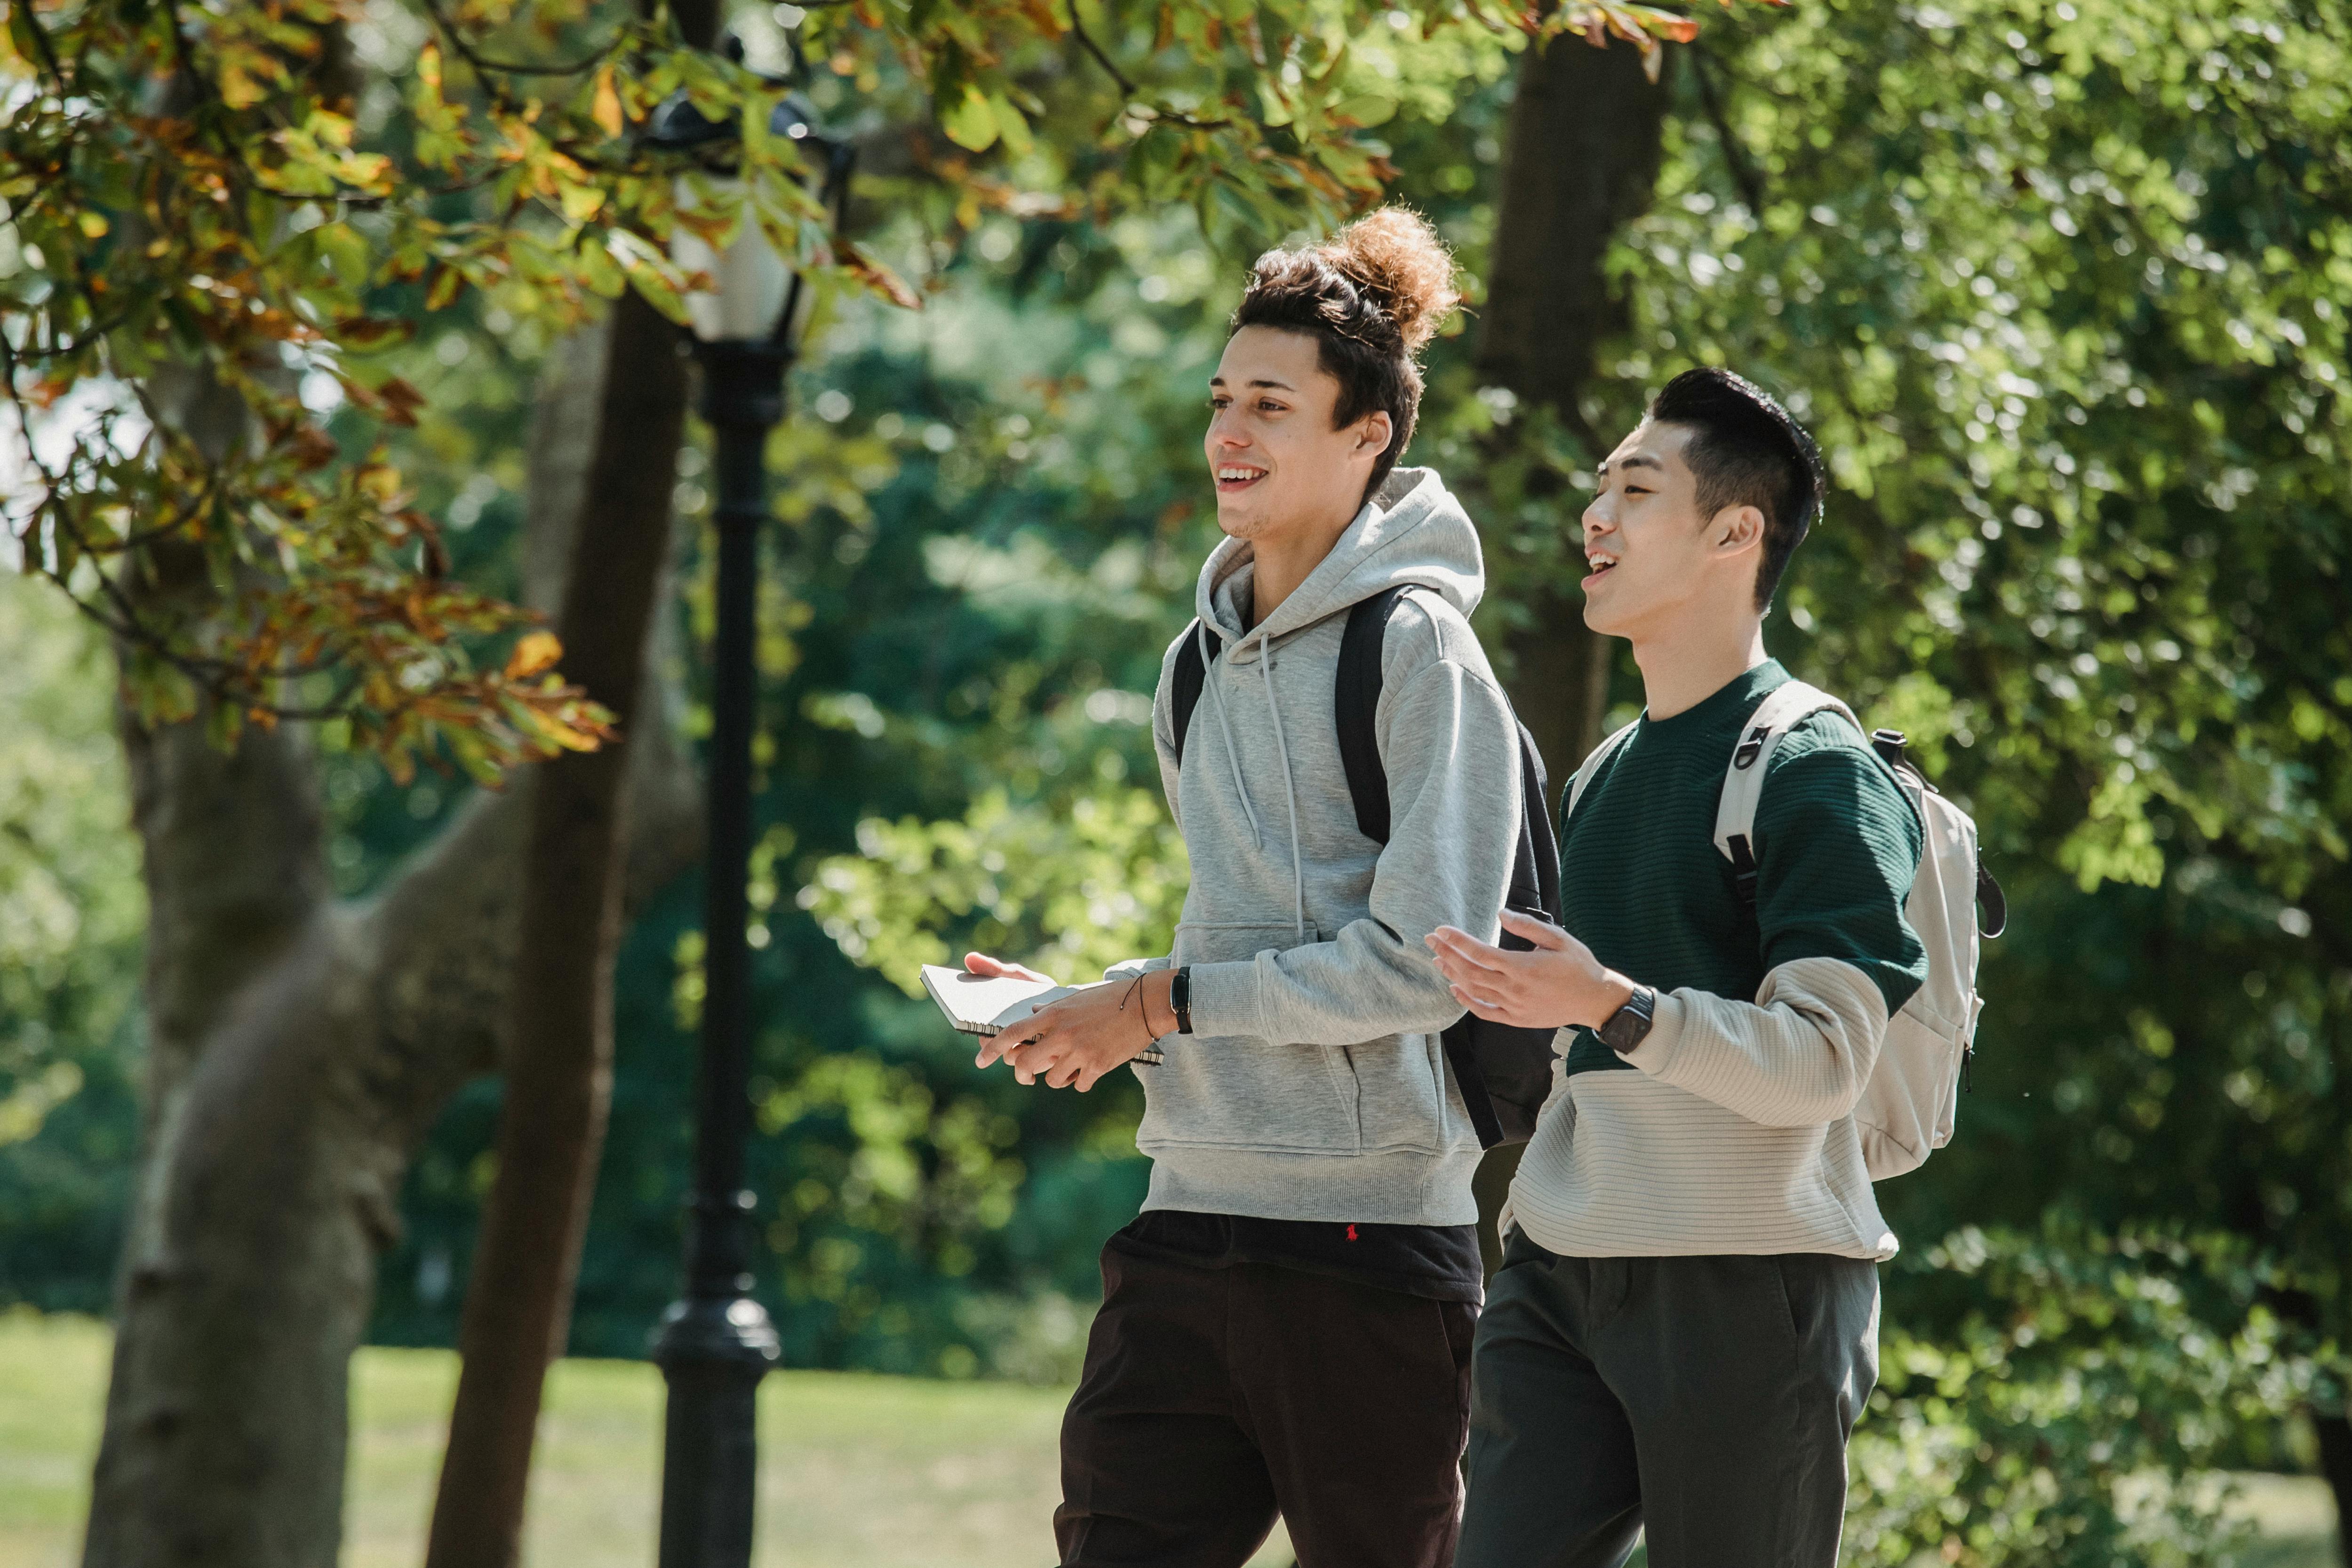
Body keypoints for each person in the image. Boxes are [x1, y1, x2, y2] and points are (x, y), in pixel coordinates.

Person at [962, 208, 1523, 1568]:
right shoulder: (1193, 664)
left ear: (1366, 435)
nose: (1232, 431)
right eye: (1223, 399)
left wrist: (1151, 1004)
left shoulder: (1420, 654)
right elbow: (1238, 934)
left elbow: (1422, 961)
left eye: (1272, 403)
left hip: (1369, 1233)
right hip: (1189, 1210)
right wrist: (1079, 1008)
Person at [1428, 368, 1929, 1568]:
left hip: (1748, 1285)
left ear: (1734, 532)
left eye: (1635, 489)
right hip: (1559, 1269)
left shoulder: (1814, 766)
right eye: (1599, 486)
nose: (1594, 515)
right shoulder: (1599, 774)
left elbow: (1822, 1064)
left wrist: (1612, 1002)